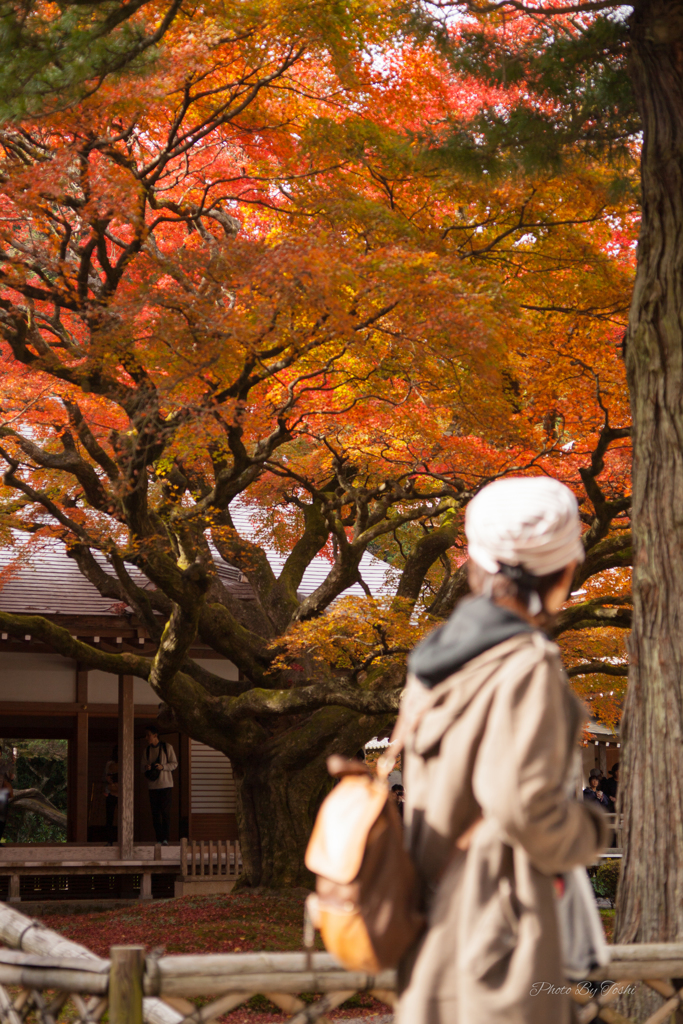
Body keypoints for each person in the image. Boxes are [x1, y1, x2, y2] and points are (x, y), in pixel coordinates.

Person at [395, 477, 608, 1024]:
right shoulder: (525, 665)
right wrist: (592, 828)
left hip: (432, 923)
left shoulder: (436, 663)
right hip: (507, 940)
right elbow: (524, 807)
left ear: (475, 561)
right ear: (562, 572)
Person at [141, 725, 177, 846]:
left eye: (148, 735)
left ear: (155, 735)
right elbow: (142, 767)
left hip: (166, 784)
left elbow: (174, 763)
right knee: (155, 814)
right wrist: (147, 768)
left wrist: (163, 767)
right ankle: (159, 839)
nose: (147, 738)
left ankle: (166, 838)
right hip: (153, 785)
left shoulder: (167, 747)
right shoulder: (146, 750)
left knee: (165, 813)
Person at [104, 745, 119, 846]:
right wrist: (108, 779)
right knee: (110, 817)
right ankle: (110, 840)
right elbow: (105, 776)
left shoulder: (125, 763)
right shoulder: (110, 764)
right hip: (111, 791)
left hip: (122, 791)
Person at [0, 747, 15, 843]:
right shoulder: (3, 764)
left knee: (2, 818)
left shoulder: (2, 763)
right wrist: (12, 762)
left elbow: (9, 777)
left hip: (2, 793)